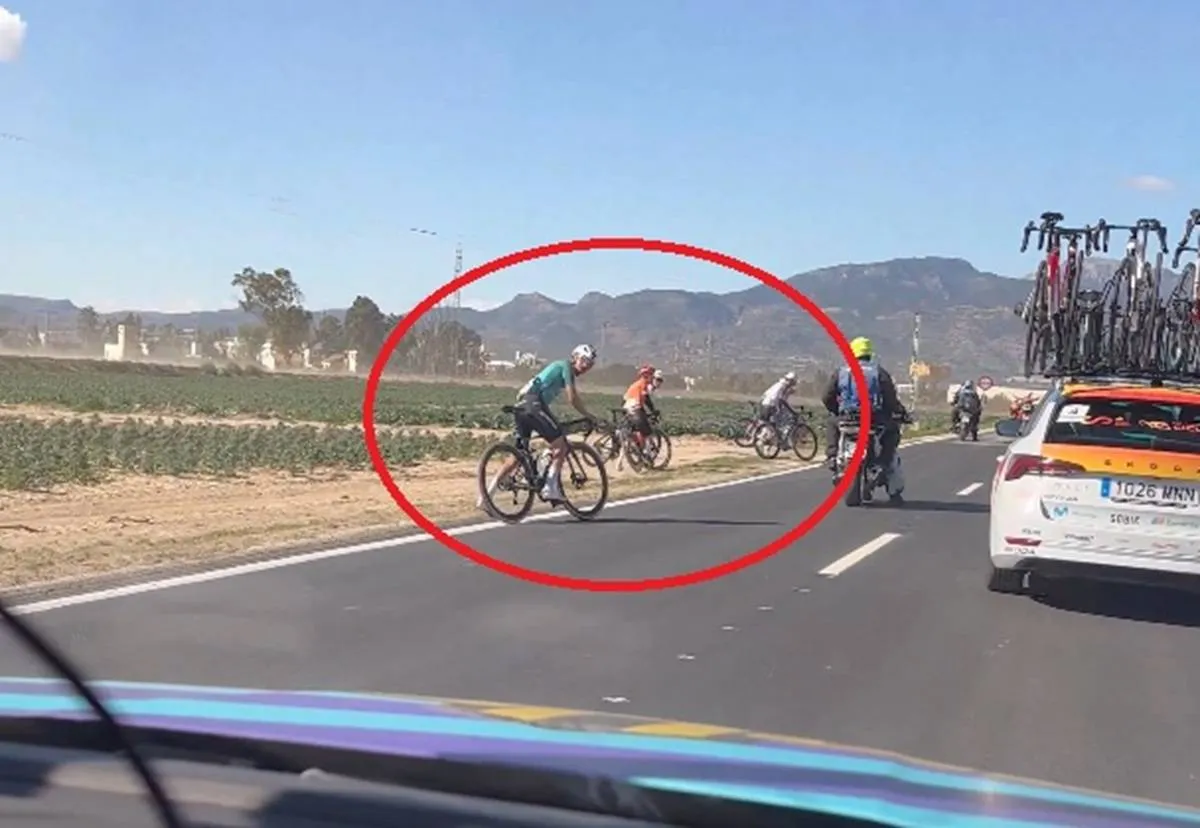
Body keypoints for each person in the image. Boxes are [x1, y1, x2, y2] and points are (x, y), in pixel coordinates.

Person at [478, 344, 600, 508]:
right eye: (584, 360)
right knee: (560, 445)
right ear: (575, 357)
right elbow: (572, 398)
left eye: (590, 364)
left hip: (522, 405)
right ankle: (550, 488)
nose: (586, 366)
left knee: (517, 455)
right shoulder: (565, 367)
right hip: (534, 404)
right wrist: (589, 415)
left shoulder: (559, 368)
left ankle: (486, 496)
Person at [821, 336, 906, 500]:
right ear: (869, 354)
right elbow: (890, 398)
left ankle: (832, 457)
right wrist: (897, 412)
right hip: (874, 419)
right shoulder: (879, 372)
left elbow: (827, 397)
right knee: (892, 433)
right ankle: (882, 463)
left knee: (832, 424)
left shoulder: (841, 372)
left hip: (847, 419)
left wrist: (836, 411)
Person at [622, 364, 660, 451]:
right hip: (633, 407)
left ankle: (636, 446)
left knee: (637, 428)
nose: (652, 377)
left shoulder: (640, 383)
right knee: (645, 430)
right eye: (652, 375)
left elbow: (645, 400)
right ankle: (645, 452)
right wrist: (653, 411)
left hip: (629, 406)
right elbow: (646, 400)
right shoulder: (642, 384)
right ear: (647, 375)